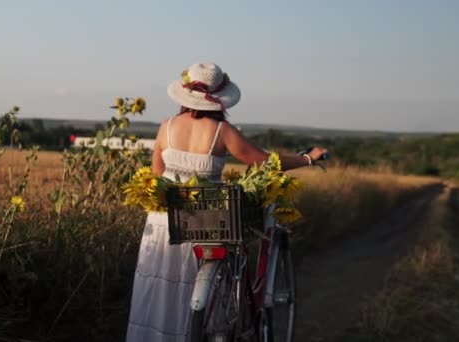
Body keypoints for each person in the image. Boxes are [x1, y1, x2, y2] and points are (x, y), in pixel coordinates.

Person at [126, 62, 327, 341]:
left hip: (166, 222)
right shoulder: (222, 131)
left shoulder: (166, 128)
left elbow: (157, 176)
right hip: (207, 219)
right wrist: (307, 158)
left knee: (158, 284)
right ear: (220, 98)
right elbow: (267, 162)